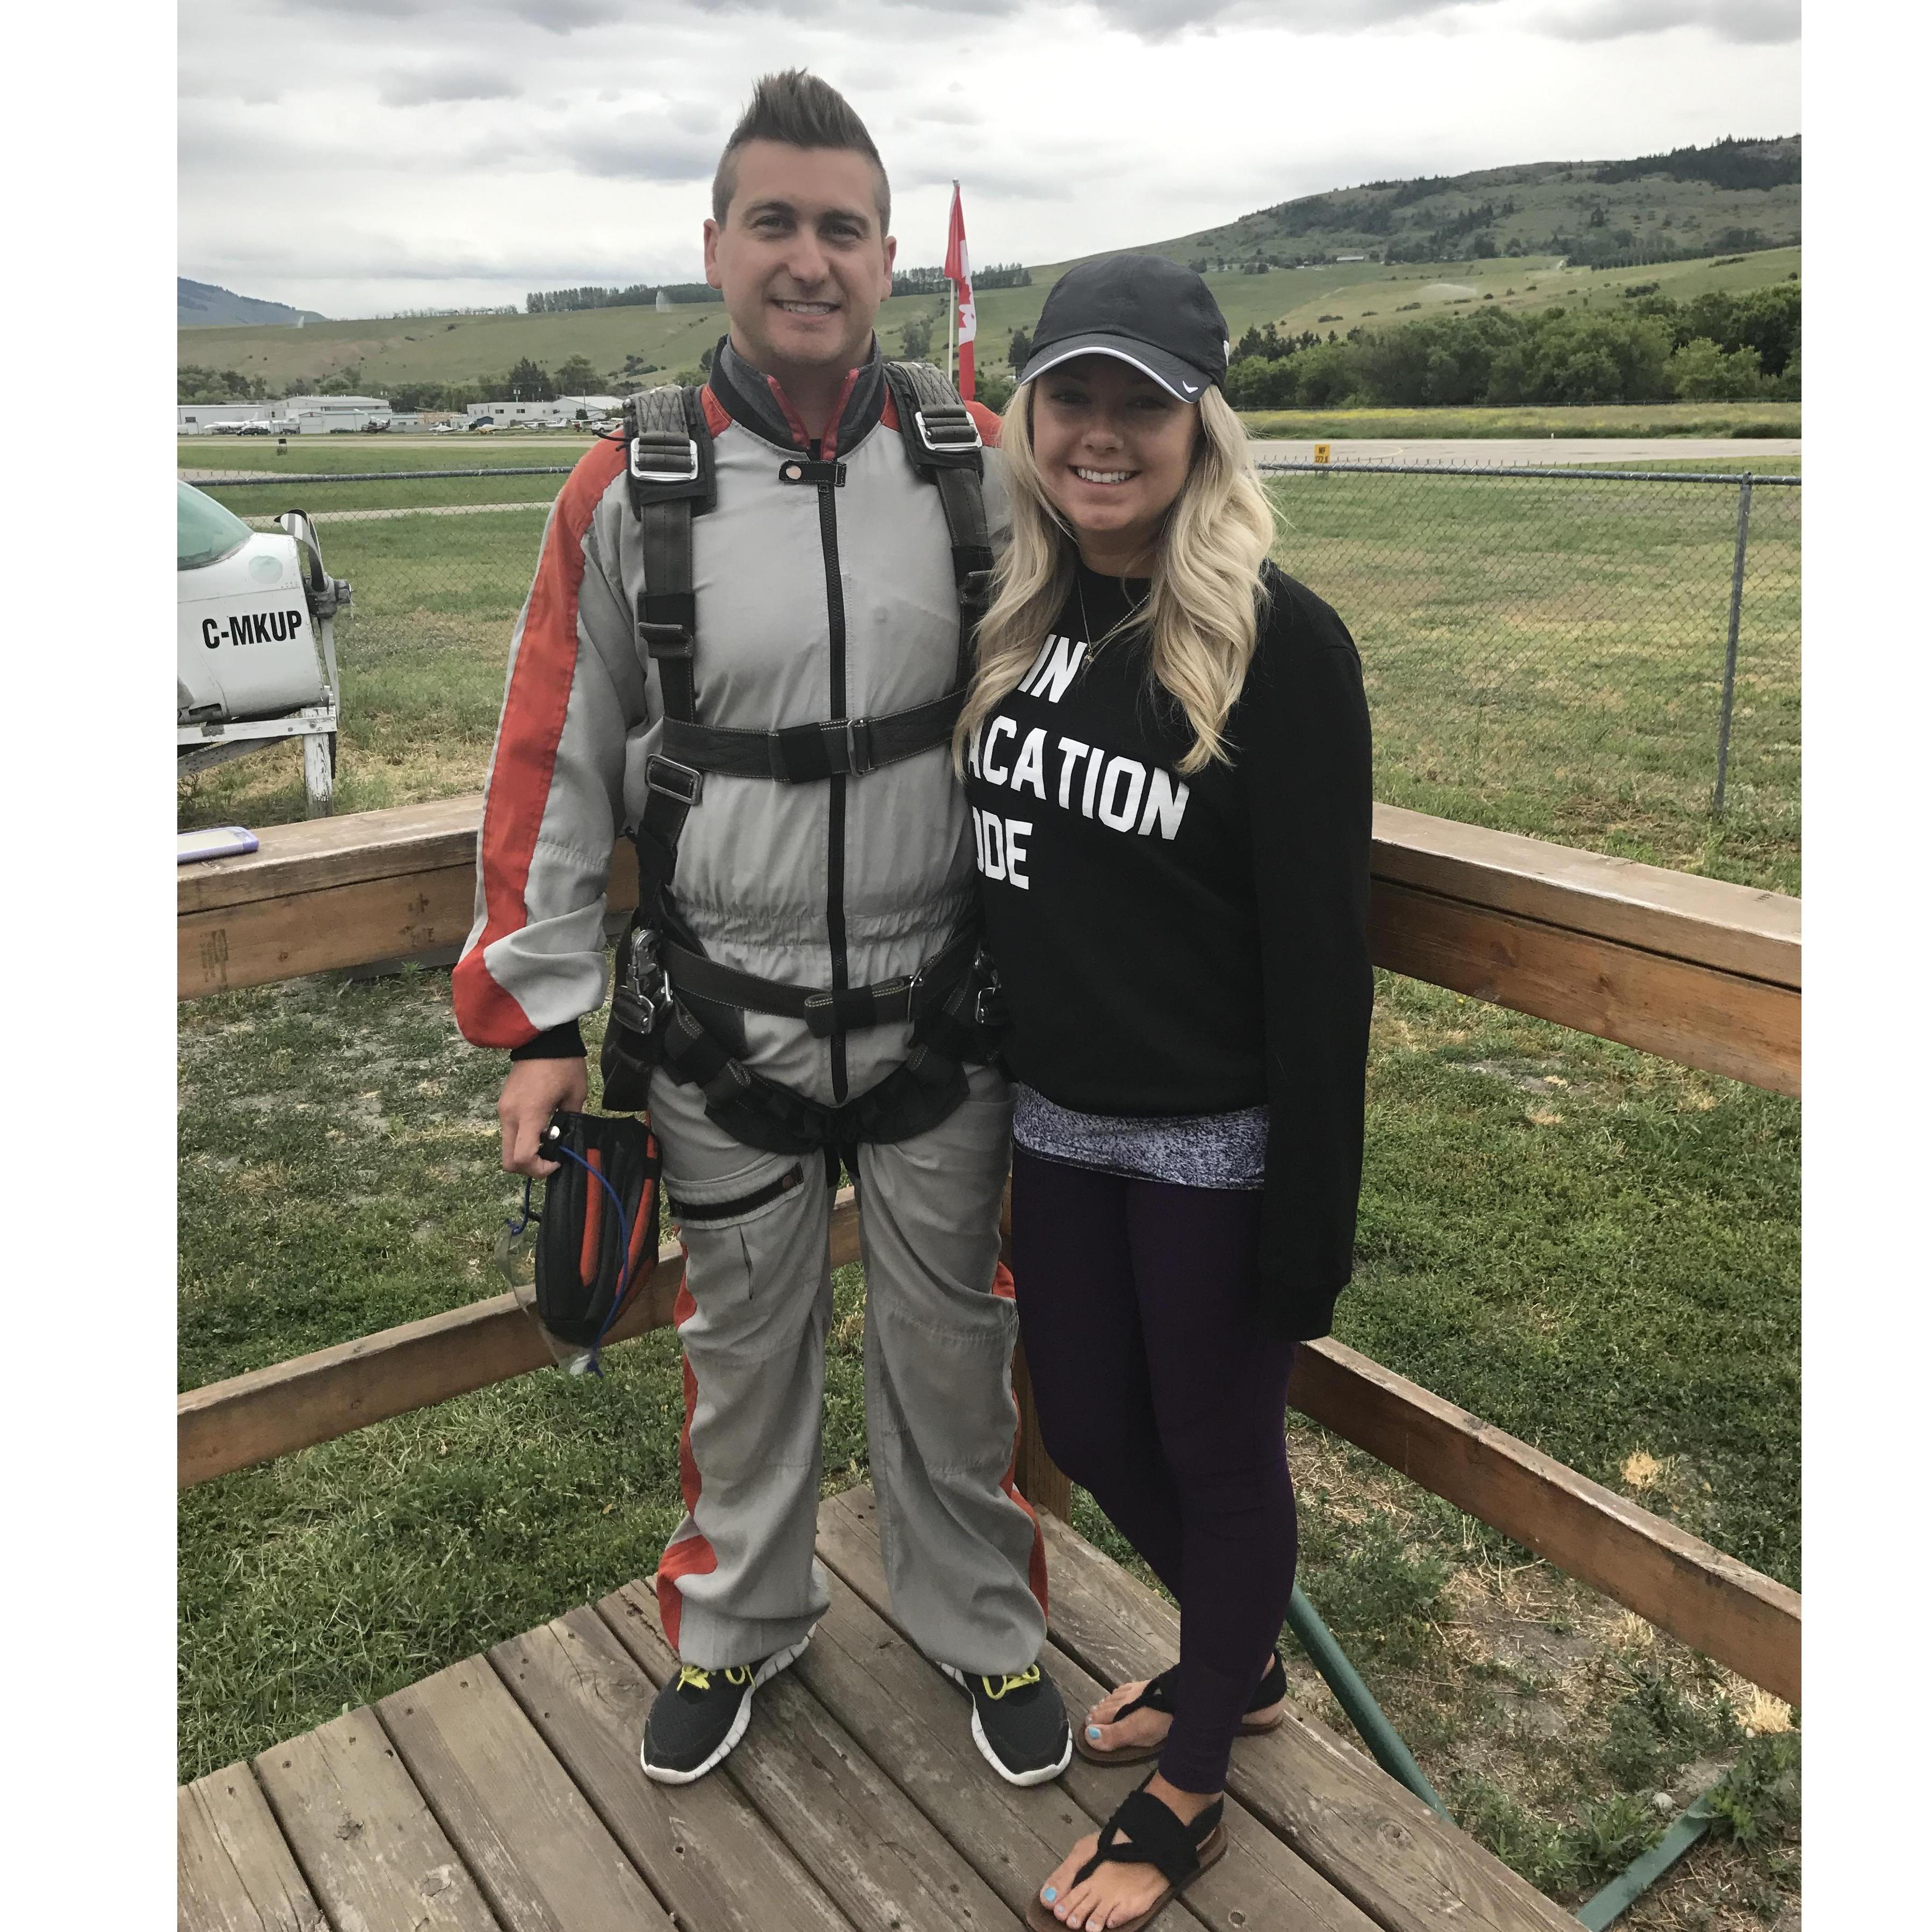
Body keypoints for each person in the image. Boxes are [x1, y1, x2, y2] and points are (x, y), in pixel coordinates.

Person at [453, 69, 1072, 1791]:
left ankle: (985, 1627)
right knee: (740, 1349)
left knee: (957, 1346)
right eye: (777, 224)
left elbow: (1076, 699)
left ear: (891, 261)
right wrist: (533, 1026)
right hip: (726, 1014)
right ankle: (739, 1619)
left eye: (845, 229)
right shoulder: (632, 486)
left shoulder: (975, 474)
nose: (812, 258)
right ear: (715, 244)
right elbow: (550, 766)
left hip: (944, 1010)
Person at [958, 254, 1373, 1931]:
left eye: (1144, 402)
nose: (1104, 435)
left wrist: (1307, 1228)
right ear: (1031, 418)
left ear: (1204, 423)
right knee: (1102, 1425)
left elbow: (1321, 959)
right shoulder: (1027, 615)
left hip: (1211, 1142)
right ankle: (1237, 1665)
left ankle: (1195, 1775)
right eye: (1075, 400)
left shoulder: (1280, 643)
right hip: (1056, 1121)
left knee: (1214, 1450)